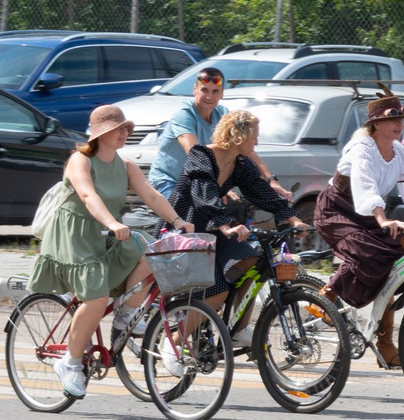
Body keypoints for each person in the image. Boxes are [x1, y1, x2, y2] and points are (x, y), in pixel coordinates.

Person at [27, 103, 188, 400]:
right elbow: (87, 195)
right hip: (73, 235)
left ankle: (126, 314)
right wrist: (113, 221)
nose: (123, 134)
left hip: (106, 232)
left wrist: (177, 220)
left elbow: (151, 196)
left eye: (125, 129)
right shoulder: (80, 160)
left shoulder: (125, 165)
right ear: (100, 134)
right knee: (97, 297)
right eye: (117, 129)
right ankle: (70, 363)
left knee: (150, 253)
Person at [312, 94, 404, 368]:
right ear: (376, 124)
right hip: (337, 210)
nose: (399, 124)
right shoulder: (362, 147)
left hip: (369, 215)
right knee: (368, 250)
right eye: (392, 119)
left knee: (398, 261)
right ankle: (327, 294)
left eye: (401, 119)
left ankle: (385, 342)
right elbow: (365, 185)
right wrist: (383, 219)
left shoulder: (399, 153)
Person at [174, 109, 293, 311]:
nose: (256, 143)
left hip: (215, 228)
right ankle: (176, 341)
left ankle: (239, 329)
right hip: (188, 228)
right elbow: (204, 196)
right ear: (240, 137)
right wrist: (225, 226)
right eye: (254, 137)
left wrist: (293, 219)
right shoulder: (201, 155)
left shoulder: (240, 163)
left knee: (253, 263)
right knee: (217, 291)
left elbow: (260, 190)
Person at [149, 66, 238, 204]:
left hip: (198, 183)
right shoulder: (184, 114)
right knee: (184, 218)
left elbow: (244, 147)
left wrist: (271, 180)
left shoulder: (223, 114)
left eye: (215, 91)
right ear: (194, 89)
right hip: (169, 182)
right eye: (204, 90)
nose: (209, 96)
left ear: (222, 94)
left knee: (235, 211)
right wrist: (218, 185)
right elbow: (195, 154)